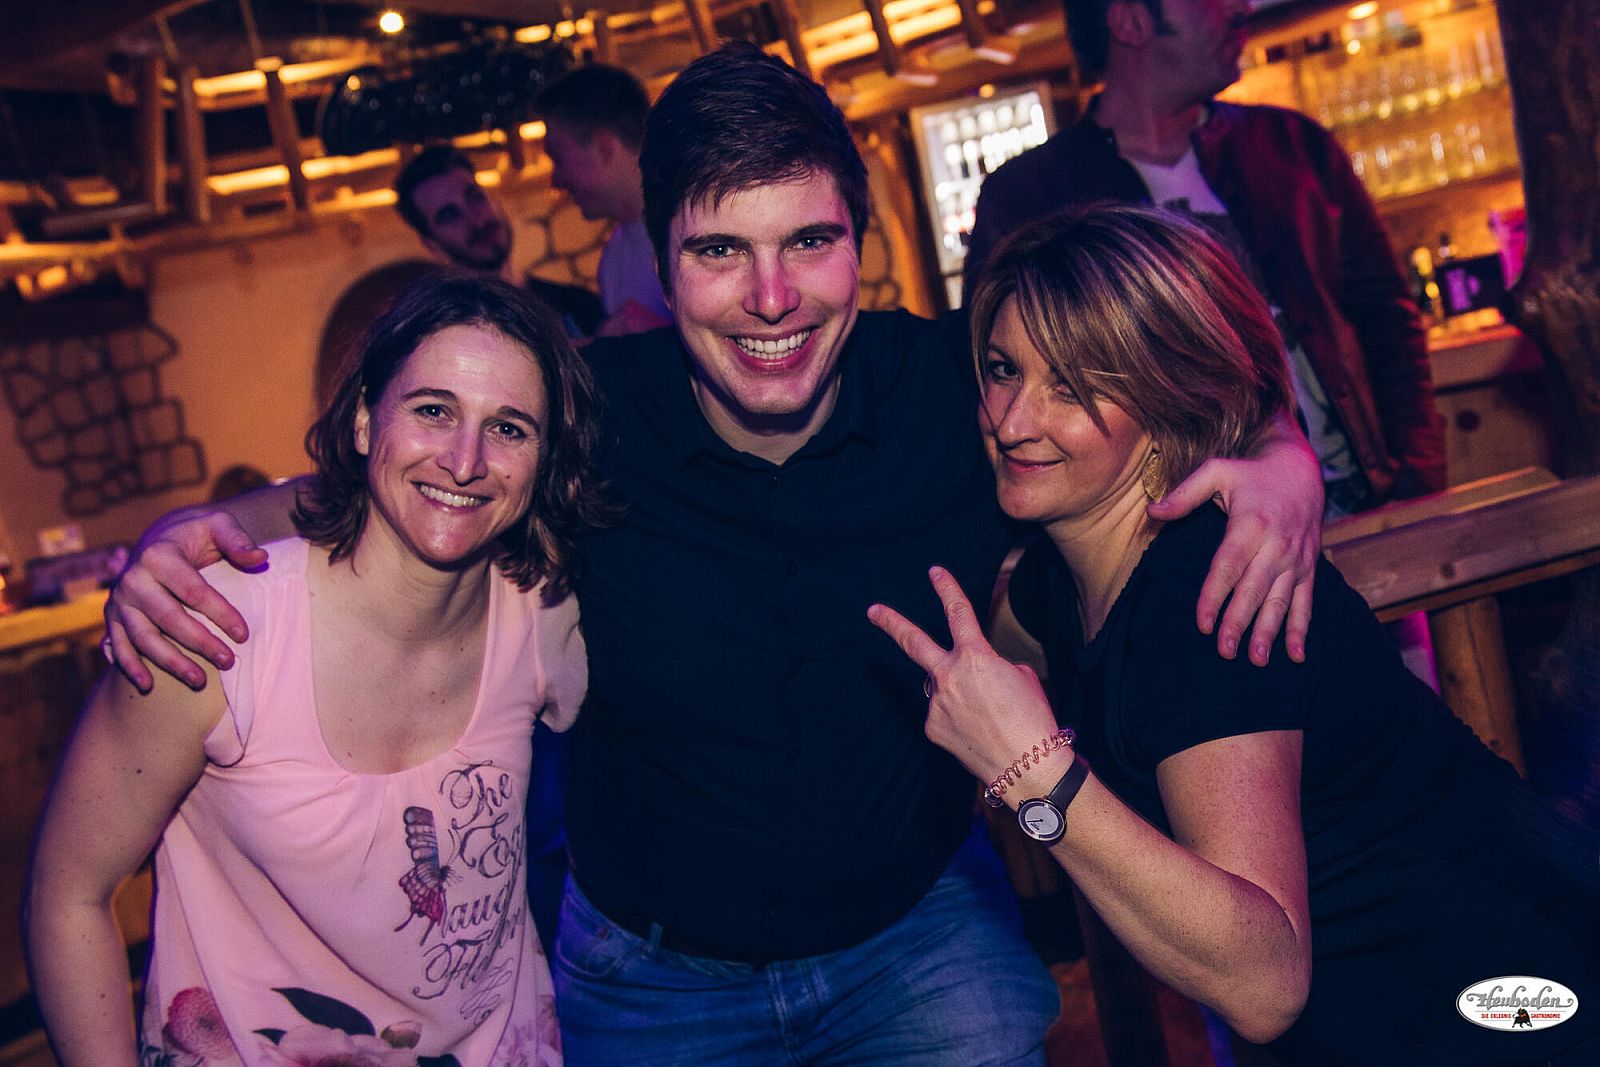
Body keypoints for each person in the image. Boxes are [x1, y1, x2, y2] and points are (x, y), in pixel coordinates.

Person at [100, 44, 1326, 1065]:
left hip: (915, 935)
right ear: (659, 257)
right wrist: (188, 537)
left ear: (860, 242)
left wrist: (1281, 457)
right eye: (719, 250)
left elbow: (1175, 373)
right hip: (650, 979)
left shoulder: (959, 386)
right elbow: (402, 470)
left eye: (809, 241)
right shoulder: (582, 411)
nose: (771, 297)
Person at [871, 205, 1600, 1064]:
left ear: (1163, 393)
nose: (1012, 419)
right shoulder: (1063, 581)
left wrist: (1031, 771)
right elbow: (1011, 638)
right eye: (1003, 370)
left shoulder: (1204, 587)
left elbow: (1264, 983)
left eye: (1072, 386)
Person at [27, 272, 609, 1065]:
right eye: (432, 410)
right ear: (366, 419)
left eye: (508, 428)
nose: (465, 459)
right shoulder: (217, 628)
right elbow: (68, 896)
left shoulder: (542, 614)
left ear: (543, 460)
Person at [965, 0, 1446, 518]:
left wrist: (1417, 474)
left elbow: (1386, 317)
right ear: (1131, 21)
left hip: (1360, 499)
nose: (1239, 7)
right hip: (1186, 525)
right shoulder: (1031, 194)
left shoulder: (1294, 147)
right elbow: (988, 369)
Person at [394, 146, 606, 338]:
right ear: (432, 244)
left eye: (475, 197)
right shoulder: (452, 335)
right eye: (450, 215)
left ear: (493, 198)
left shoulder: (577, 304)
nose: (476, 219)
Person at [535, 64, 672, 336]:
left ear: (604, 148)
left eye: (558, 158)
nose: (556, 181)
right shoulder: (612, 259)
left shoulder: (696, 226)